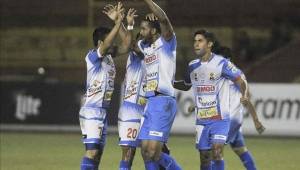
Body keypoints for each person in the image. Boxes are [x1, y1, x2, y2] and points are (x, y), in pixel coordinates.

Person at [173, 29, 248, 170]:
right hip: (202, 120)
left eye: (200, 41)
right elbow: (186, 85)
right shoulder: (192, 66)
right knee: (204, 158)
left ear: (209, 44)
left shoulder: (222, 63)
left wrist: (244, 94)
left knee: (217, 151)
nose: (196, 44)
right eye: (195, 41)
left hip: (220, 119)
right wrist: (169, 82)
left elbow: (239, 79)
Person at [136, 0, 181, 169]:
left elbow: (164, 20)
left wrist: (148, 2)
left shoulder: (167, 43)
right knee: (146, 152)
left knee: (154, 151)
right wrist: (124, 23)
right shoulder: (145, 48)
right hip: (150, 103)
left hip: (163, 101)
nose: (141, 32)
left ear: (154, 30)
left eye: (144, 28)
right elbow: (131, 42)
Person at [78, 3, 124, 170]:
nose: (113, 44)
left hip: (102, 111)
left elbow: (127, 46)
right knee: (92, 152)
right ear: (100, 42)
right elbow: (106, 46)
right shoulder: (92, 56)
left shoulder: (109, 58)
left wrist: (125, 24)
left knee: (97, 155)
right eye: (109, 40)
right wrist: (117, 23)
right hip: (92, 109)